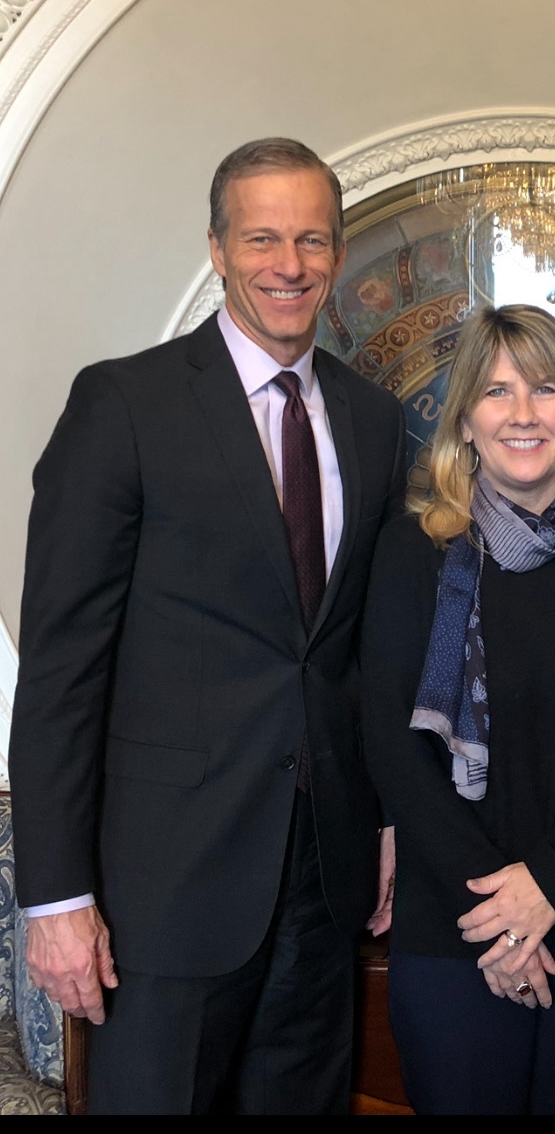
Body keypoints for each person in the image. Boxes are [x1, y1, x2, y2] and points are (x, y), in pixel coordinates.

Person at [9, 138, 407, 1113]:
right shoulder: (125, 404)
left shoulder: (373, 419)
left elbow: (367, 652)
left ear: (337, 252)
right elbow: (63, 664)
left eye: (312, 239)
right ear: (219, 249)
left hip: (323, 878)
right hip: (161, 888)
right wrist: (55, 898)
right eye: (262, 238)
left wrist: (390, 815)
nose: (290, 264)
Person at [360, 303, 555, 1115]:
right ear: (464, 421)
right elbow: (392, 748)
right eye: (497, 392)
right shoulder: (414, 549)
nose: (522, 413)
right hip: (455, 932)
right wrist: (502, 916)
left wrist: (548, 886)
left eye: (544, 389)